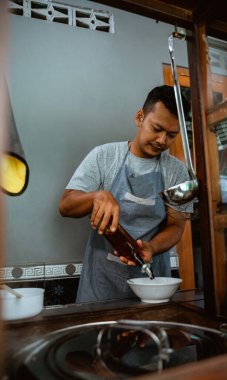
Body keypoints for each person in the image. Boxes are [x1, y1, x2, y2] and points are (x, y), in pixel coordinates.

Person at [59, 85, 191, 303]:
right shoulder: (104, 156)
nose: (161, 140)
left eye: (171, 135)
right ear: (140, 118)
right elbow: (65, 205)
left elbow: (177, 225)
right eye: (156, 128)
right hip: (101, 283)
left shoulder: (178, 172)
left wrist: (152, 247)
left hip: (151, 284)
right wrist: (96, 197)